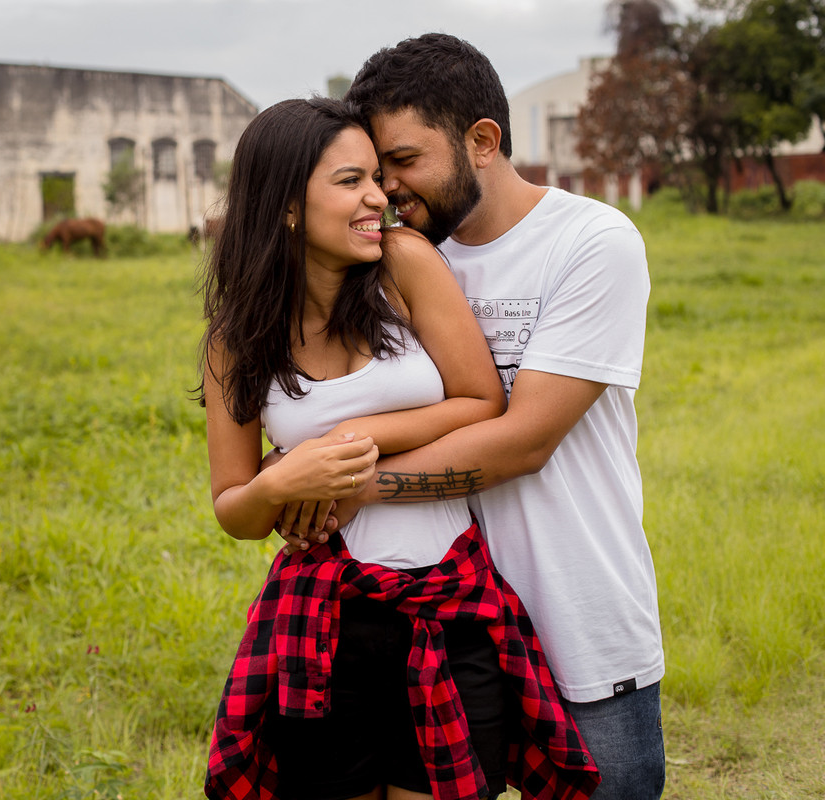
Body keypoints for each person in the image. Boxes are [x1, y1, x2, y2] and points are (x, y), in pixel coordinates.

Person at [280, 33, 663, 800]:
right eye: (375, 170)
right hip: (446, 629)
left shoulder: (591, 241)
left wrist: (336, 482)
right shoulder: (390, 259)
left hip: (577, 614)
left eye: (404, 161)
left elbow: (524, 439)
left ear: (482, 140)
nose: (386, 190)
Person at [198, 97, 600, 800]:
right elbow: (235, 507)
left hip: (452, 603)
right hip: (324, 620)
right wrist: (282, 481)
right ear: (288, 206)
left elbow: (482, 401)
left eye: (376, 177)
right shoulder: (236, 341)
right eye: (350, 181)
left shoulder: (403, 264)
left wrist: (347, 445)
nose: (377, 197)